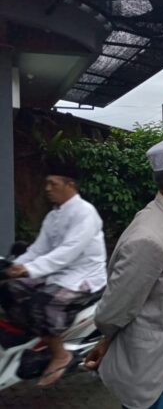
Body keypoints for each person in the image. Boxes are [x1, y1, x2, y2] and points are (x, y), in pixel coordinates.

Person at [84, 136, 163, 409]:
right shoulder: (150, 238)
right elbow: (113, 312)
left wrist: (106, 342)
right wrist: (107, 338)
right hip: (151, 373)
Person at [0, 162, 107, 386]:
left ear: (70, 185)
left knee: (41, 303)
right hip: (56, 273)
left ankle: (59, 353)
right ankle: (29, 344)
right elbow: (38, 250)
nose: (47, 188)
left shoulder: (85, 213)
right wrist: (14, 267)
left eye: (53, 183)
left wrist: (29, 270)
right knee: (9, 290)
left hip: (82, 277)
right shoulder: (53, 216)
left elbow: (69, 251)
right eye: (47, 183)